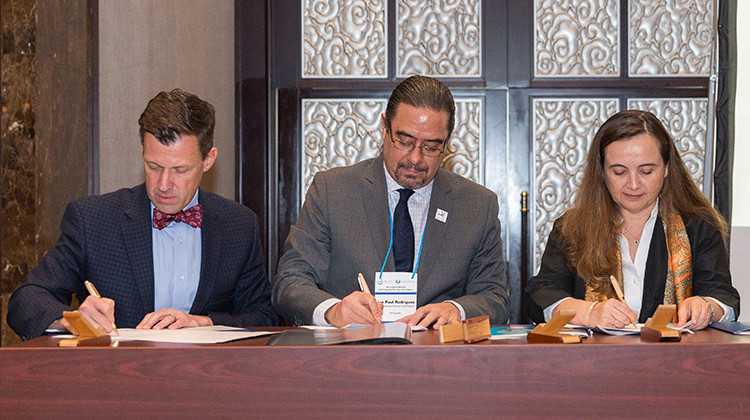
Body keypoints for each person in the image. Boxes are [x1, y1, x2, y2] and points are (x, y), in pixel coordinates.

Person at [7, 88, 279, 340]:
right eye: (153, 166)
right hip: (117, 381)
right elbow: (27, 299)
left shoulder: (239, 224)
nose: (163, 185)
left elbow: (264, 317)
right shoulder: (93, 219)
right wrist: (73, 320)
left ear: (208, 160)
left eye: (180, 170)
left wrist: (204, 323)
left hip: (208, 382)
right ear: (142, 152)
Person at [272, 75, 509, 328]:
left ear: (447, 142)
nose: (416, 158)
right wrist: (333, 311)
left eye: (430, 147)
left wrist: (456, 309)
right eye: (404, 141)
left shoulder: (477, 205)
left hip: (439, 357)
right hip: (350, 354)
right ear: (385, 127)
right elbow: (290, 281)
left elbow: (495, 298)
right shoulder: (332, 191)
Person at [525, 110, 739, 330]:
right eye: (619, 172)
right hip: (592, 360)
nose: (634, 184)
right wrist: (589, 312)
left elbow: (723, 295)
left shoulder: (698, 226)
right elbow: (542, 294)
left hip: (676, 360)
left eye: (646, 171)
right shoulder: (572, 228)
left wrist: (707, 306)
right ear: (602, 172)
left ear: (666, 168)